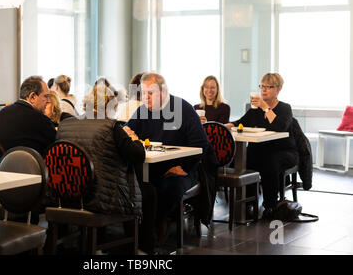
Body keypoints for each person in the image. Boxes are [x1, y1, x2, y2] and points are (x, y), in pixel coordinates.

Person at [123, 72, 209, 250]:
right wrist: (127, 134)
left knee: (168, 187)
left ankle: (157, 225)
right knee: (133, 185)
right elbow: (125, 130)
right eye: (143, 92)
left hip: (180, 168)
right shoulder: (143, 110)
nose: (145, 97)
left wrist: (185, 166)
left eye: (150, 93)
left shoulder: (182, 108)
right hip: (151, 167)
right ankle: (139, 233)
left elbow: (201, 143)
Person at [53, 82, 145, 218]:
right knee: (148, 191)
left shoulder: (65, 125)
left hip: (67, 196)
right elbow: (137, 156)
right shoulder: (111, 127)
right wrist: (133, 139)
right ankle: (137, 238)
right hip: (102, 198)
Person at [225, 73, 298, 219]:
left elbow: (280, 127)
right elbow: (242, 121)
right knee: (243, 160)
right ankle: (249, 201)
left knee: (270, 162)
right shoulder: (256, 109)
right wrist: (226, 125)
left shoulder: (285, 108)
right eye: (262, 86)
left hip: (284, 151)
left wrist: (265, 108)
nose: (263, 90)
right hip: (262, 150)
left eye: (268, 87)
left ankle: (270, 205)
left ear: (278, 90)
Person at [0, 75, 56, 156]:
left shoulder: (2, 113)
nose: (48, 100)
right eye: (46, 96)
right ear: (32, 97)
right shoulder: (40, 120)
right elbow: (55, 147)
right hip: (27, 167)